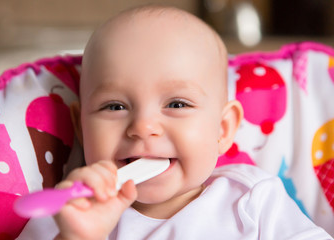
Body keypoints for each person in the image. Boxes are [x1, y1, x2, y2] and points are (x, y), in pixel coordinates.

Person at [53, 5, 333, 240]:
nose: (143, 126)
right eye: (115, 106)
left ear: (222, 130)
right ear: (81, 127)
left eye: (177, 104)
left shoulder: (253, 201)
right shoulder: (67, 214)